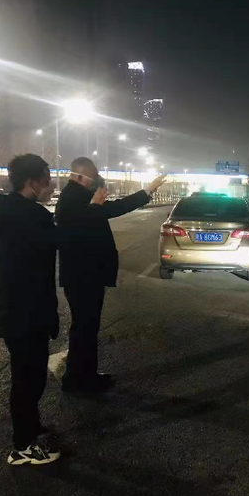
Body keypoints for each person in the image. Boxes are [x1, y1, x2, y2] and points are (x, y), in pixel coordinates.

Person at [0, 154, 104, 465]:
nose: (51, 185)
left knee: (29, 377)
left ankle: (30, 429)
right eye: (47, 179)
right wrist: (93, 209)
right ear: (31, 182)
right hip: (24, 312)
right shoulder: (28, 216)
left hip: (18, 308)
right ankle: (23, 446)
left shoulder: (11, 211)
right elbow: (64, 239)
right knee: (27, 380)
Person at [55, 157, 165, 393]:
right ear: (79, 176)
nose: (97, 179)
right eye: (93, 175)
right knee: (84, 328)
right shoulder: (72, 197)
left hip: (87, 274)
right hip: (82, 275)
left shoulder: (80, 195)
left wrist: (147, 191)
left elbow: (114, 208)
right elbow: (77, 228)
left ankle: (84, 376)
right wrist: (95, 206)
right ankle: (78, 381)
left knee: (87, 328)